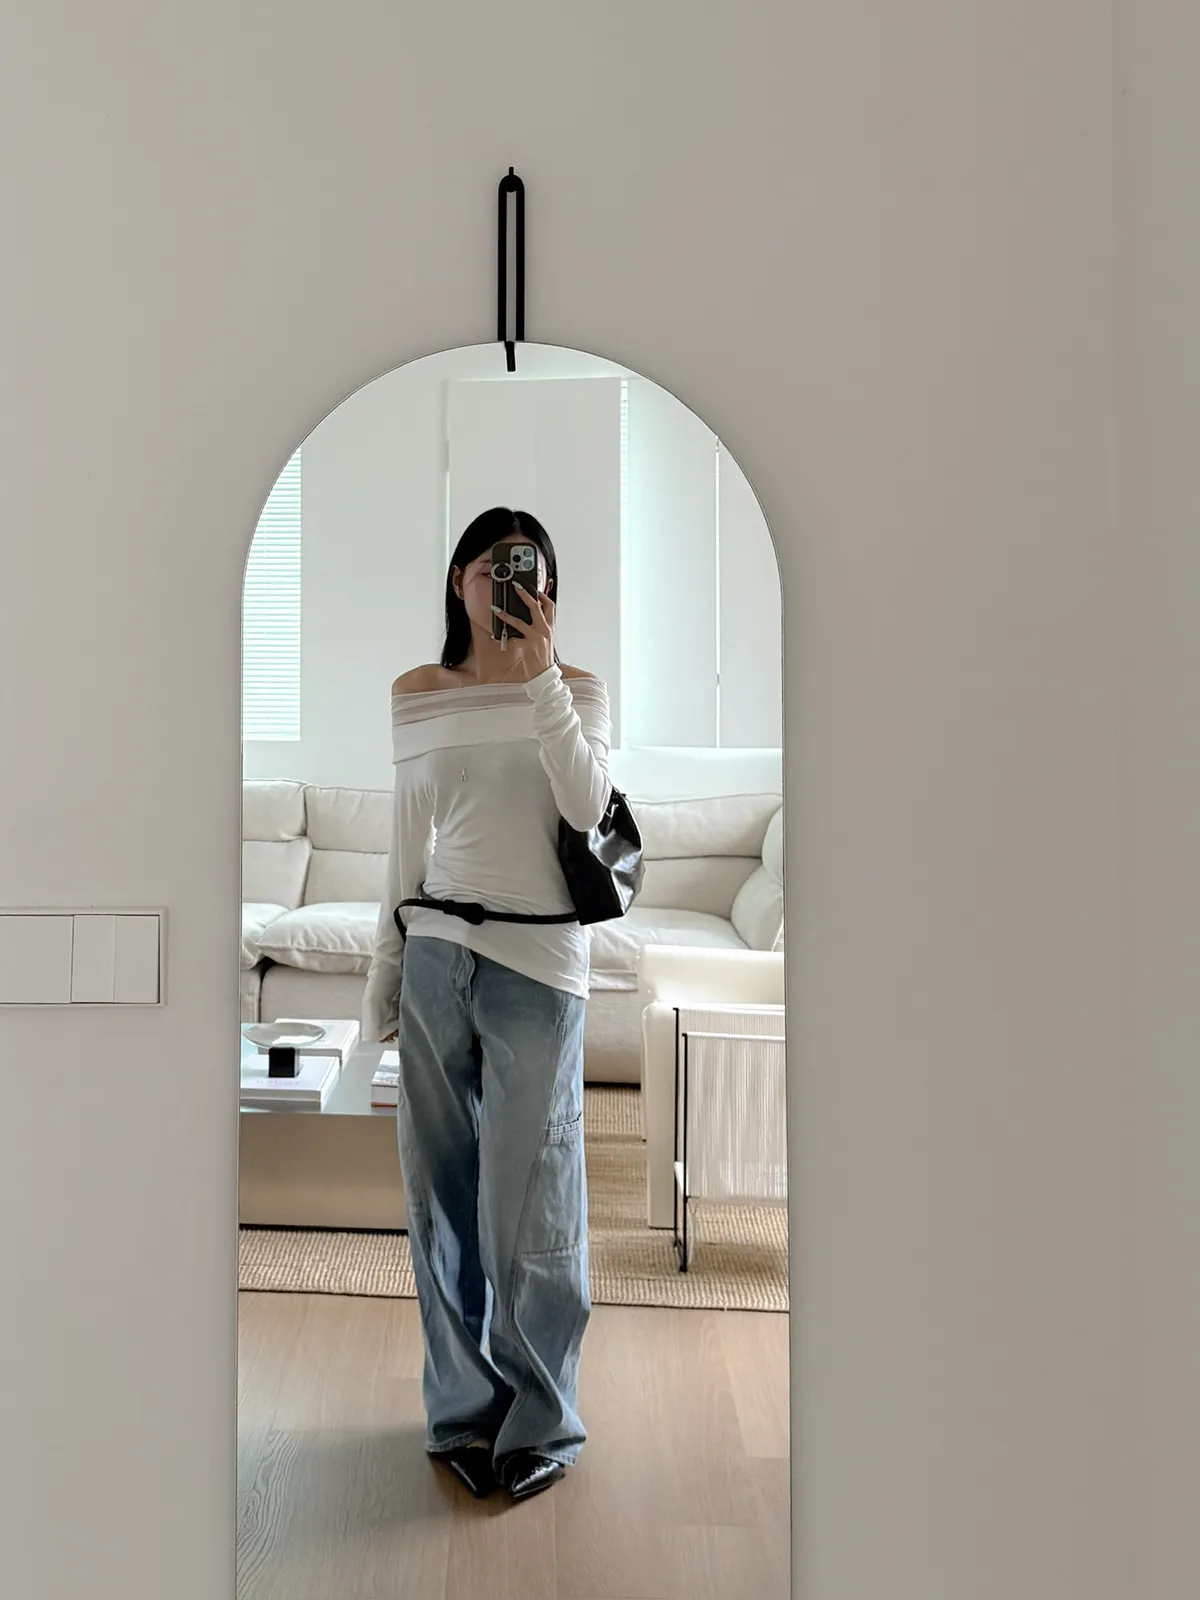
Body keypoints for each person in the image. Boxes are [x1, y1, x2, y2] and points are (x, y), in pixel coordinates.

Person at [362, 507, 610, 1504]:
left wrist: (539, 680)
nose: (510, 586)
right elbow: (405, 843)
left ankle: (542, 1417)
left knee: (530, 1203)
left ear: (548, 588)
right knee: (439, 1196)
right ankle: (462, 1410)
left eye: (530, 571)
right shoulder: (418, 692)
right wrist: (385, 972)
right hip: (437, 955)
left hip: (539, 967)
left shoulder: (576, 687)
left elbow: (589, 807)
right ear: (461, 578)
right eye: (494, 569)